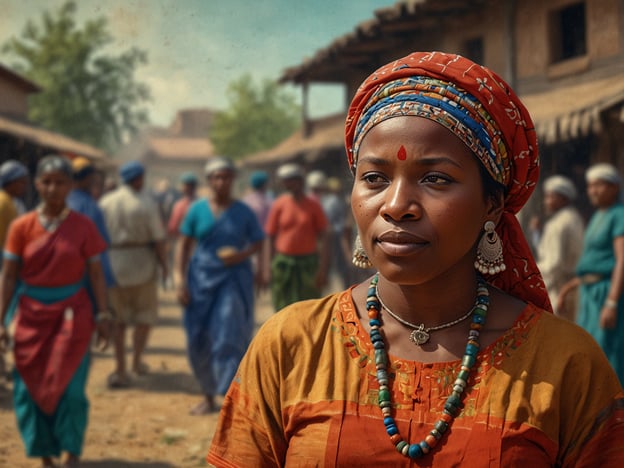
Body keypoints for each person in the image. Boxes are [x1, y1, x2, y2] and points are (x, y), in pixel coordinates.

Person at [208, 52, 624, 466]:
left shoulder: (566, 364)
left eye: (435, 178)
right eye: (374, 178)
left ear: (492, 205)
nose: (396, 205)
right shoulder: (292, 344)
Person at [0, 155, 111, 468]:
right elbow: (8, 275)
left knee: (73, 390)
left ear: (70, 185)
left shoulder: (84, 227)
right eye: (46, 182)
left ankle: (71, 452)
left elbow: (96, 274)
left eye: (60, 182)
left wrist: (102, 315)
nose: (52, 188)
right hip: (29, 317)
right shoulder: (20, 227)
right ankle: (45, 455)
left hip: (72, 317)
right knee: (29, 389)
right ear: (37, 185)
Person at [175, 157, 264, 414]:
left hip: (232, 280)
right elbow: (183, 245)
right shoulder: (196, 210)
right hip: (200, 279)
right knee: (198, 338)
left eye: (226, 177)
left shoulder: (243, 212)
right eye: (216, 177)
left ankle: (228, 399)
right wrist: (180, 281)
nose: (221, 182)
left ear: (232, 180)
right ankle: (207, 395)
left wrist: (240, 256)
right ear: (209, 181)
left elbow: (258, 242)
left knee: (228, 335)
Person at [99, 161, 168, 388]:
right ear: (138, 178)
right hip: (142, 264)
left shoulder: (105, 202)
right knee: (144, 317)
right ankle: (136, 362)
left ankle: (120, 368)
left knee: (118, 320)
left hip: (113, 263)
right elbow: (158, 238)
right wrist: (164, 264)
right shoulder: (146, 203)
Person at [558, 163, 624, 385]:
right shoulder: (598, 216)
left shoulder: (619, 215)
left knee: (607, 353)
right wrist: (568, 288)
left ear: (614, 187)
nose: (592, 190)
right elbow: (592, 264)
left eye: (599, 185)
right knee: (589, 349)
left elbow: (621, 260)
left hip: (604, 293)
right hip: (588, 294)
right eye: (590, 186)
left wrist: (612, 302)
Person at [263, 163, 330, 311]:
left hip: (308, 264)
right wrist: (267, 268)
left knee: (309, 309)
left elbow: (324, 237)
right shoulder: (279, 204)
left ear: (300, 181)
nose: (289, 184)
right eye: (286, 181)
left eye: (293, 180)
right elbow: (270, 236)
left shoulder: (313, 205)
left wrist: (323, 269)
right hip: (284, 264)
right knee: (282, 307)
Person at [536, 175, 584, 320]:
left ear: (563, 199)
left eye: (551, 197)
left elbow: (553, 264)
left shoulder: (559, 224)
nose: (546, 201)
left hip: (558, 289)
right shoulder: (574, 218)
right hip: (571, 288)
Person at [67, 157, 116, 290]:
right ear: (88, 178)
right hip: (88, 275)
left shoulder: (64, 202)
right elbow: (100, 243)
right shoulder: (89, 206)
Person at [0, 160, 29, 257]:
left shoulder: (10, 201)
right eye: (22, 182)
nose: (24, 187)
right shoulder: (5, 203)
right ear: (11, 182)